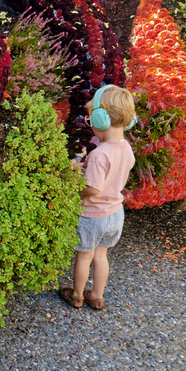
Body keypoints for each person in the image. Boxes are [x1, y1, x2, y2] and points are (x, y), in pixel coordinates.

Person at [60, 84, 136, 310]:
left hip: (93, 216)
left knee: (84, 256)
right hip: (114, 215)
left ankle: (76, 296)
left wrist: (75, 187)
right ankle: (97, 296)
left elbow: (92, 189)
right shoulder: (126, 148)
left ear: (101, 120)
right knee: (101, 256)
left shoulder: (99, 153)